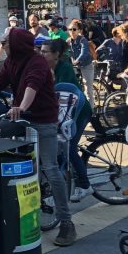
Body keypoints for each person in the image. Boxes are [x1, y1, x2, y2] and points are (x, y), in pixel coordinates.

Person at [0, 27, 76, 246]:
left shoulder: (37, 62)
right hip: (21, 119)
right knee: (2, 155)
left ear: (17, 44)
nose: (2, 44)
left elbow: (31, 87)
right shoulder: (10, 61)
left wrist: (21, 108)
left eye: (7, 41)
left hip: (43, 120)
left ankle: (66, 223)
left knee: (51, 169)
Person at [38, 40, 93, 203]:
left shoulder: (65, 69)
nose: (42, 54)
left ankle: (85, 185)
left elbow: (62, 96)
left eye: (46, 52)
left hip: (78, 112)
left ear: (56, 55)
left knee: (68, 148)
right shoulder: (46, 68)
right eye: (41, 51)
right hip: (63, 114)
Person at [67, 20, 95, 102]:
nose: (72, 31)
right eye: (70, 29)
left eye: (74, 29)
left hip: (86, 65)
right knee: (73, 85)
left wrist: (77, 60)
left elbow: (84, 52)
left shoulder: (83, 40)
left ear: (79, 30)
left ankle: (91, 110)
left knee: (88, 88)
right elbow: (68, 52)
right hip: (75, 66)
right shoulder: (68, 41)